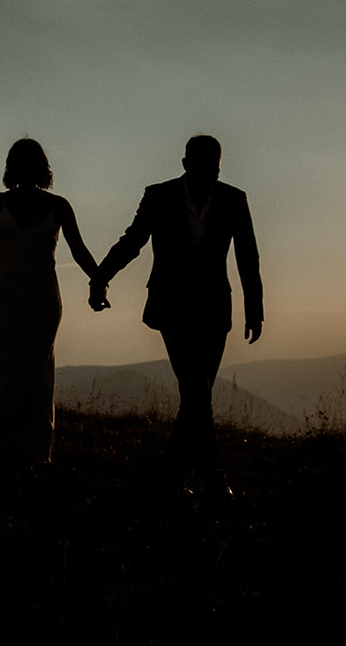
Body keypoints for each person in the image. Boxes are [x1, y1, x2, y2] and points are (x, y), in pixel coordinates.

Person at [89, 135, 262, 496]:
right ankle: (211, 477)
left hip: (215, 308)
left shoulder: (234, 199)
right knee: (197, 389)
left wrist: (254, 307)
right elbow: (132, 240)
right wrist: (100, 278)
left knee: (196, 394)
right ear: (185, 165)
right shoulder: (158, 196)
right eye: (201, 168)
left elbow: (247, 254)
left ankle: (170, 479)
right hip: (172, 307)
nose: (209, 176)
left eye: (214, 169)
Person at [0, 138, 102, 464]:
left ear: (41, 167)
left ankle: (34, 448)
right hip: (3, 297)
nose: (25, 167)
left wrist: (100, 282)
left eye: (31, 161)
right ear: (12, 167)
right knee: (3, 368)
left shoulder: (60, 206)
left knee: (38, 372)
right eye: (19, 161)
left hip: (42, 301)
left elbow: (79, 251)